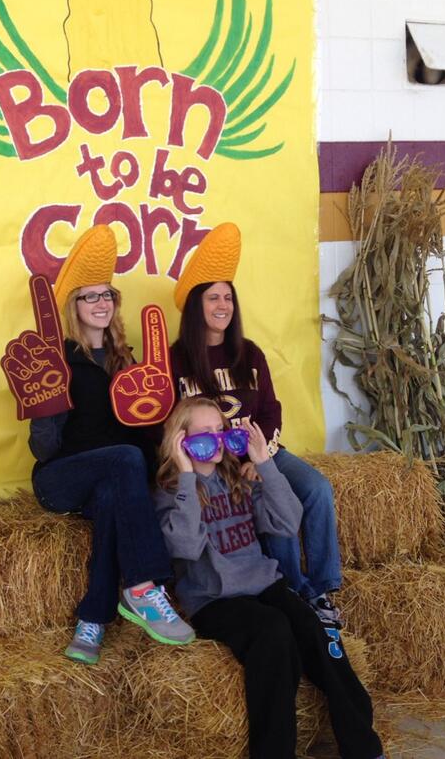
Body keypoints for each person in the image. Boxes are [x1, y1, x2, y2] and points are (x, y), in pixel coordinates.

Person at [154, 396, 384, 759]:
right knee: (273, 632)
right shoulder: (171, 493)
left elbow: (288, 522)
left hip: (264, 582)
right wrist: (185, 475)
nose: (216, 440)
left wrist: (264, 464)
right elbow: (183, 546)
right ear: (180, 441)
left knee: (315, 631)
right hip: (216, 600)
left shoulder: (238, 477)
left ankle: (364, 747)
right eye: (204, 433)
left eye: (221, 430)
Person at [29, 224, 195, 665]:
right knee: (123, 463)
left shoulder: (128, 362)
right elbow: (45, 451)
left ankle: (93, 619)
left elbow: (142, 438)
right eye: (91, 296)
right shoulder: (57, 360)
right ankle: (142, 586)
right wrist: (42, 406)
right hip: (61, 477)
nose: (102, 304)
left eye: (108, 296)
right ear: (73, 305)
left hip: (111, 479)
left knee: (115, 492)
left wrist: (166, 416)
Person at [170, 222, 343, 625]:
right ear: (196, 305)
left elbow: (270, 409)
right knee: (266, 498)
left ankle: (320, 590)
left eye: (228, 298)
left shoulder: (249, 353)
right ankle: (291, 589)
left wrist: (261, 457)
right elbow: (170, 421)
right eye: (213, 297)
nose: (223, 306)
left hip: (258, 450)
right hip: (212, 463)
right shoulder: (175, 359)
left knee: (316, 488)